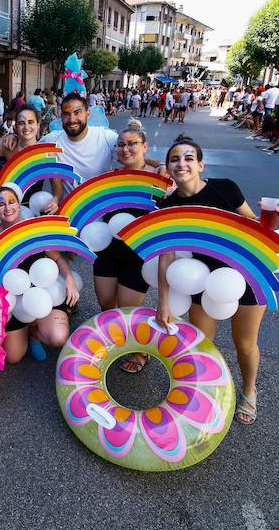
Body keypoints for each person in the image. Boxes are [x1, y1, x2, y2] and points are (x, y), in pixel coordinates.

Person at [155, 134, 279, 425]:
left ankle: (249, 392)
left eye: (189, 158)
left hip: (246, 274)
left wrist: (274, 217)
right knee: (203, 343)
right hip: (202, 281)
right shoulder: (168, 207)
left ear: (200, 165)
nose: (182, 163)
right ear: (168, 167)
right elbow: (165, 256)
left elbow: (255, 225)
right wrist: (162, 302)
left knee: (244, 343)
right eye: (175, 159)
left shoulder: (225, 189)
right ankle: (207, 393)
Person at [93, 120, 166, 373]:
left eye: (132, 144)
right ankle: (114, 342)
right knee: (105, 303)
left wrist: (161, 166)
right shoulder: (110, 178)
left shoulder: (159, 178)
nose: (125, 149)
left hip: (138, 254)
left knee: (128, 311)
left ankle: (138, 351)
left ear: (145, 146)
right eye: (121, 145)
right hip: (108, 249)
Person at [0, 185, 79, 363]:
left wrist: (69, 279)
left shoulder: (34, 230)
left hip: (45, 296)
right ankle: (26, 327)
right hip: (13, 303)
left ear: (19, 204)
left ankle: (35, 334)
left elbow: (58, 259)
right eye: (1, 204)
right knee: (13, 358)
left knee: (58, 337)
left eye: (11, 202)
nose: (7, 208)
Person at [0, 100, 55, 210]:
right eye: (21, 123)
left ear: (38, 125)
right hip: (8, 210)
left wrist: (54, 202)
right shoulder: (8, 146)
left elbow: (57, 189)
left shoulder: (45, 153)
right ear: (16, 127)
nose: (26, 127)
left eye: (31, 122)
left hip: (33, 211)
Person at [38, 93, 118, 202]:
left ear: (88, 114)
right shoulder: (52, 140)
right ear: (61, 117)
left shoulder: (106, 138)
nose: (72, 120)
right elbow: (25, 150)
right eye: (66, 114)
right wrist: (12, 138)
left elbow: (135, 158)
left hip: (100, 214)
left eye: (77, 113)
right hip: (66, 214)